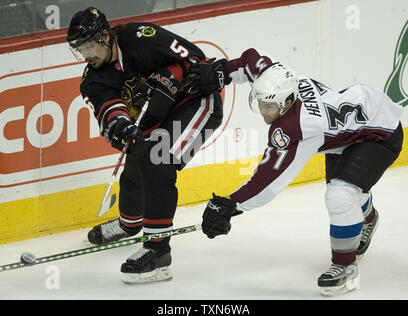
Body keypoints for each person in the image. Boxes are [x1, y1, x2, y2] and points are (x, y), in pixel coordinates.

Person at [200, 48, 404, 296]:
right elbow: (251, 60)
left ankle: (345, 265)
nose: (264, 112)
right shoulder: (279, 80)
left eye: (269, 106)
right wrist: (220, 71)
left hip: (380, 135)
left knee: (340, 196)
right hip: (351, 128)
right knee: (349, 192)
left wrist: (232, 204)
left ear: (287, 102)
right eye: (260, 104)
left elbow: (268, 181)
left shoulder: (297, 127)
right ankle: (368, 216)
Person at [66, 7, 230, 283]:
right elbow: (109, 110)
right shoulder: (92, 79)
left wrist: (166, 78)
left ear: (106, 36)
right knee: (133, 173)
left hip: (194, 103)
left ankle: (158, 254)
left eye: (90, 46)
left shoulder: (140, 37)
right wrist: (120, 125)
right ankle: (129, 225)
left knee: (157, 162)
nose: (86, 55)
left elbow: (194, 59)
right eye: (80, 50)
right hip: (155, 120)